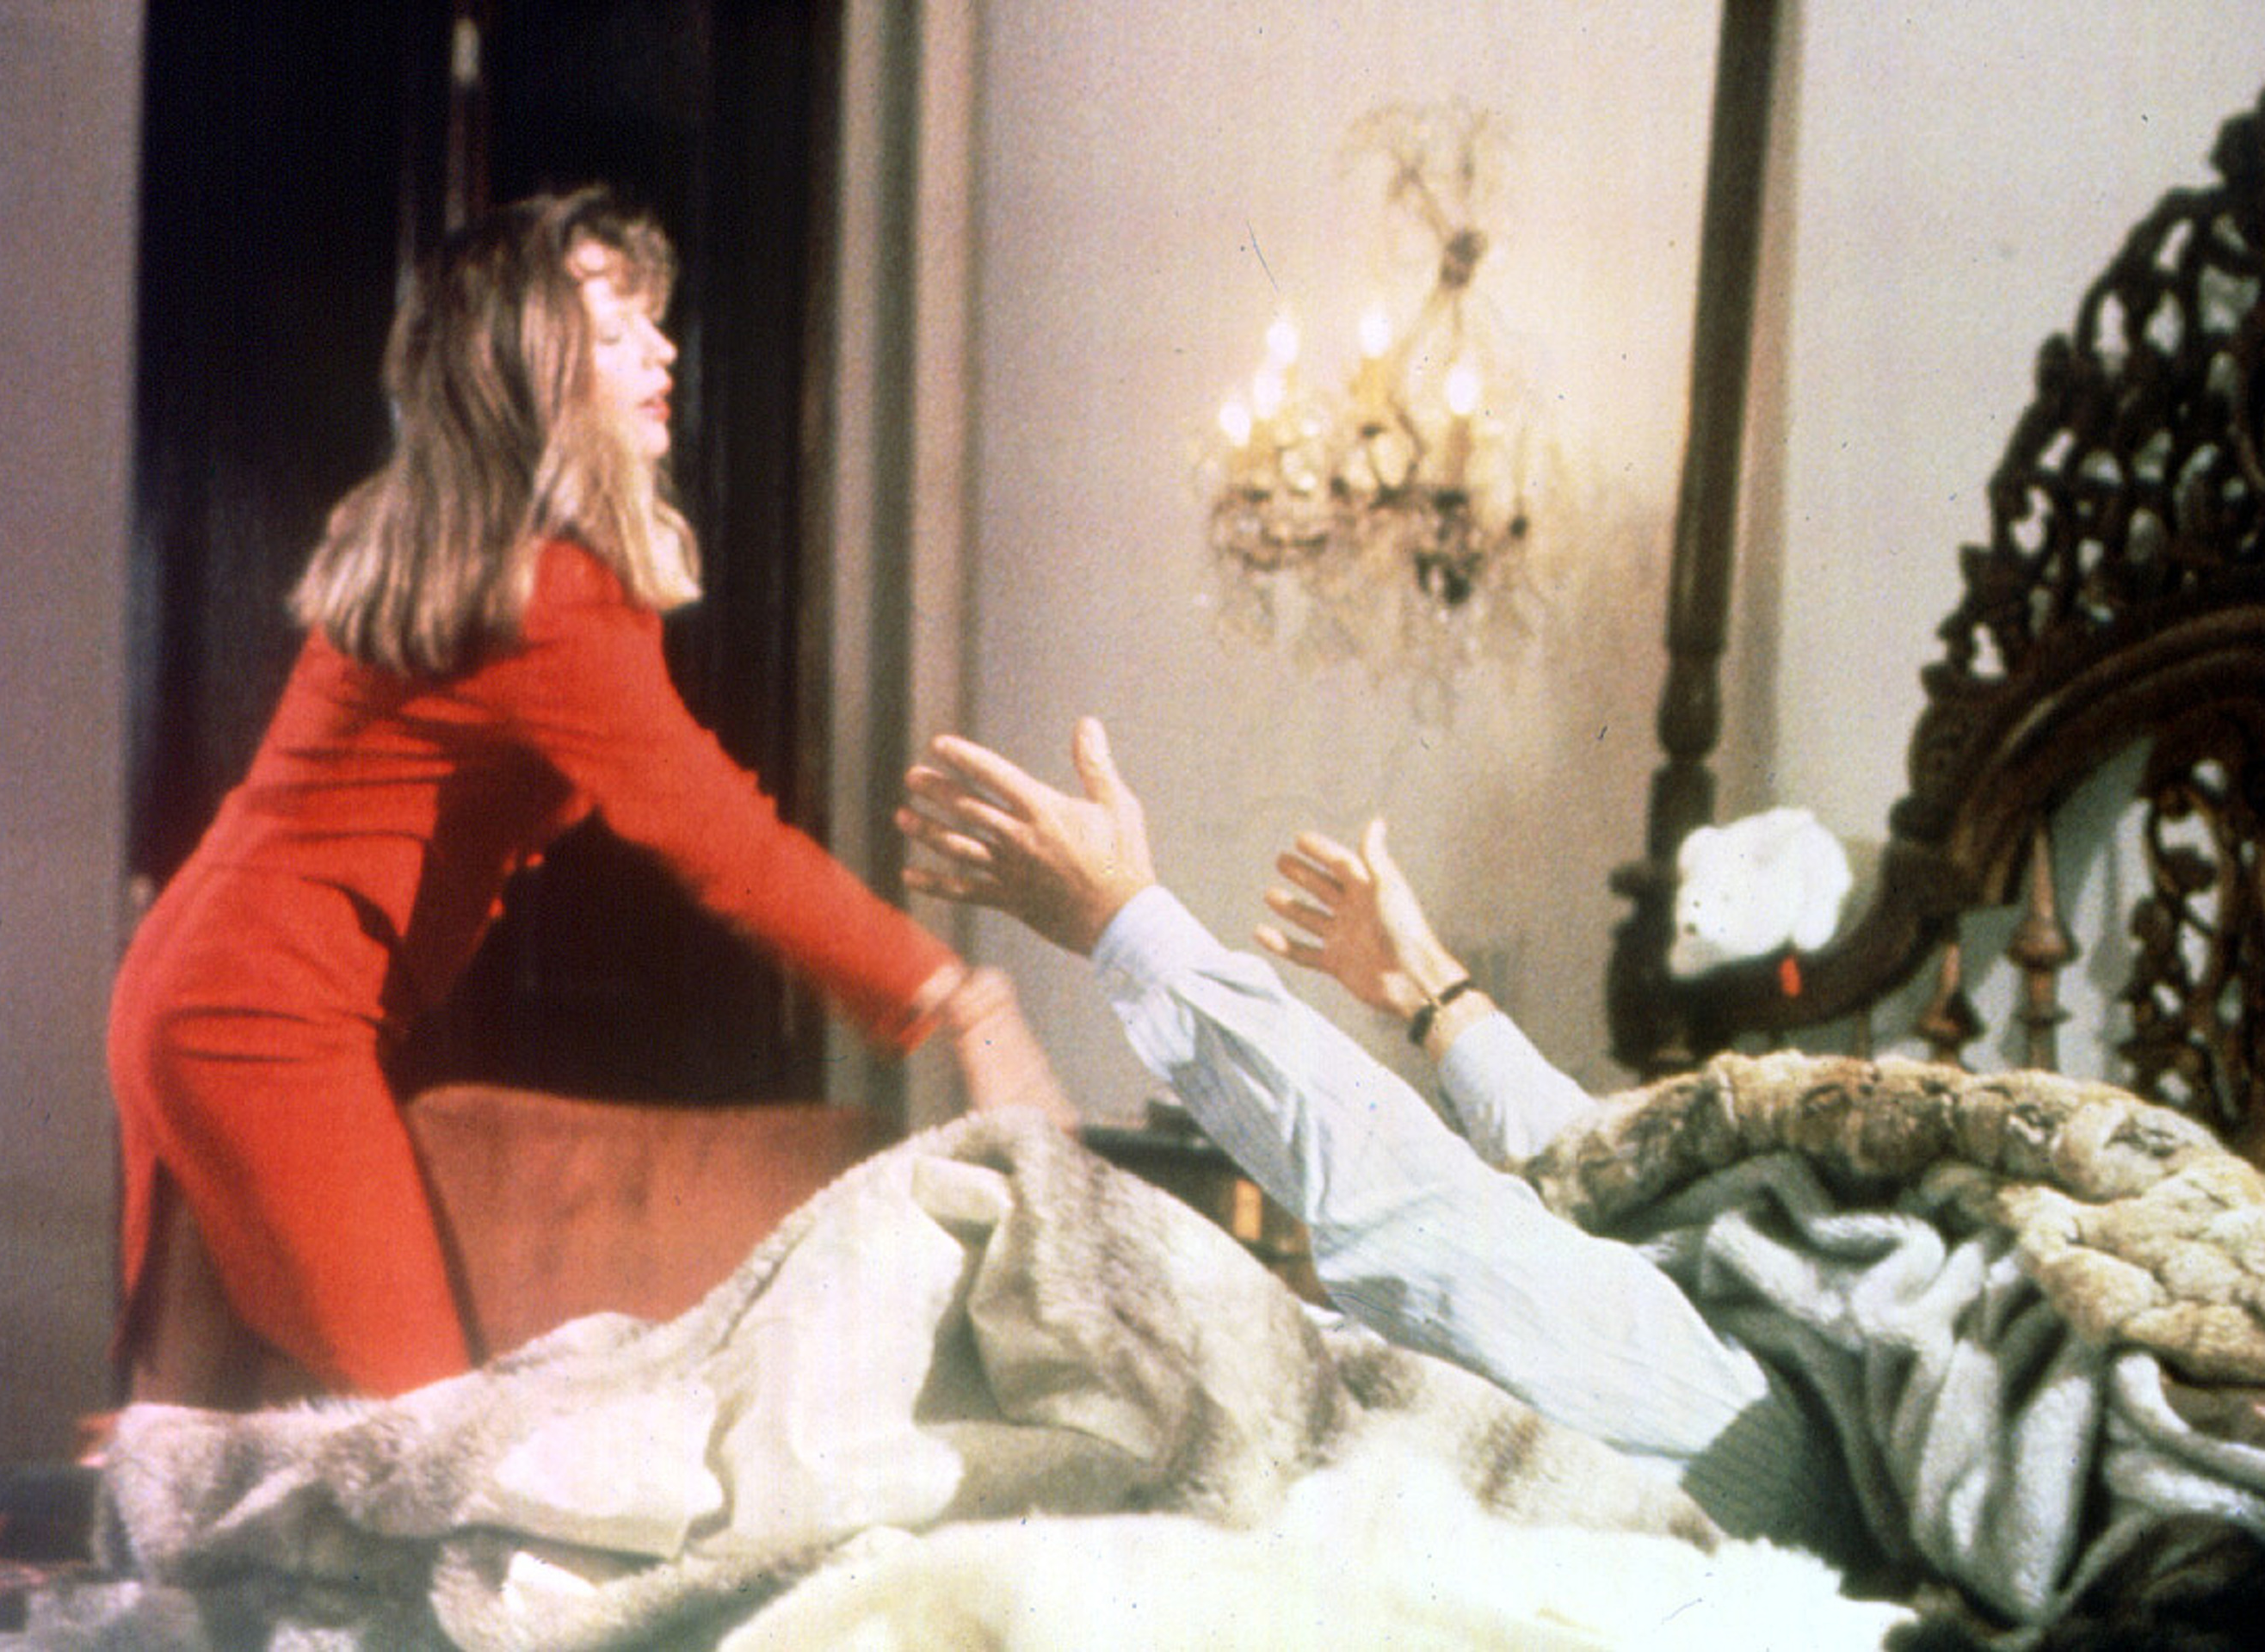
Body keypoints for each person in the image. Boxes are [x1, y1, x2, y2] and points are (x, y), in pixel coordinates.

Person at [109, 187, 1068, 1401]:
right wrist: (958, 1000)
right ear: (533, 376)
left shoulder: (467, 554)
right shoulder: (550, 595)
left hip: (187, 988)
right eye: (616, 334)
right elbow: (724, 842)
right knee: (426, 1420)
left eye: (654, 323)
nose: (663, 352)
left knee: (189, 1440)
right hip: (256, 1018)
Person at [896, 717, 1842, 1550]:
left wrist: (1129, 926)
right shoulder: (1799, 1318)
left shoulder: (1771, 1442)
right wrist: (1434, 991)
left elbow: (1444, 1229)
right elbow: (1612, 1171)